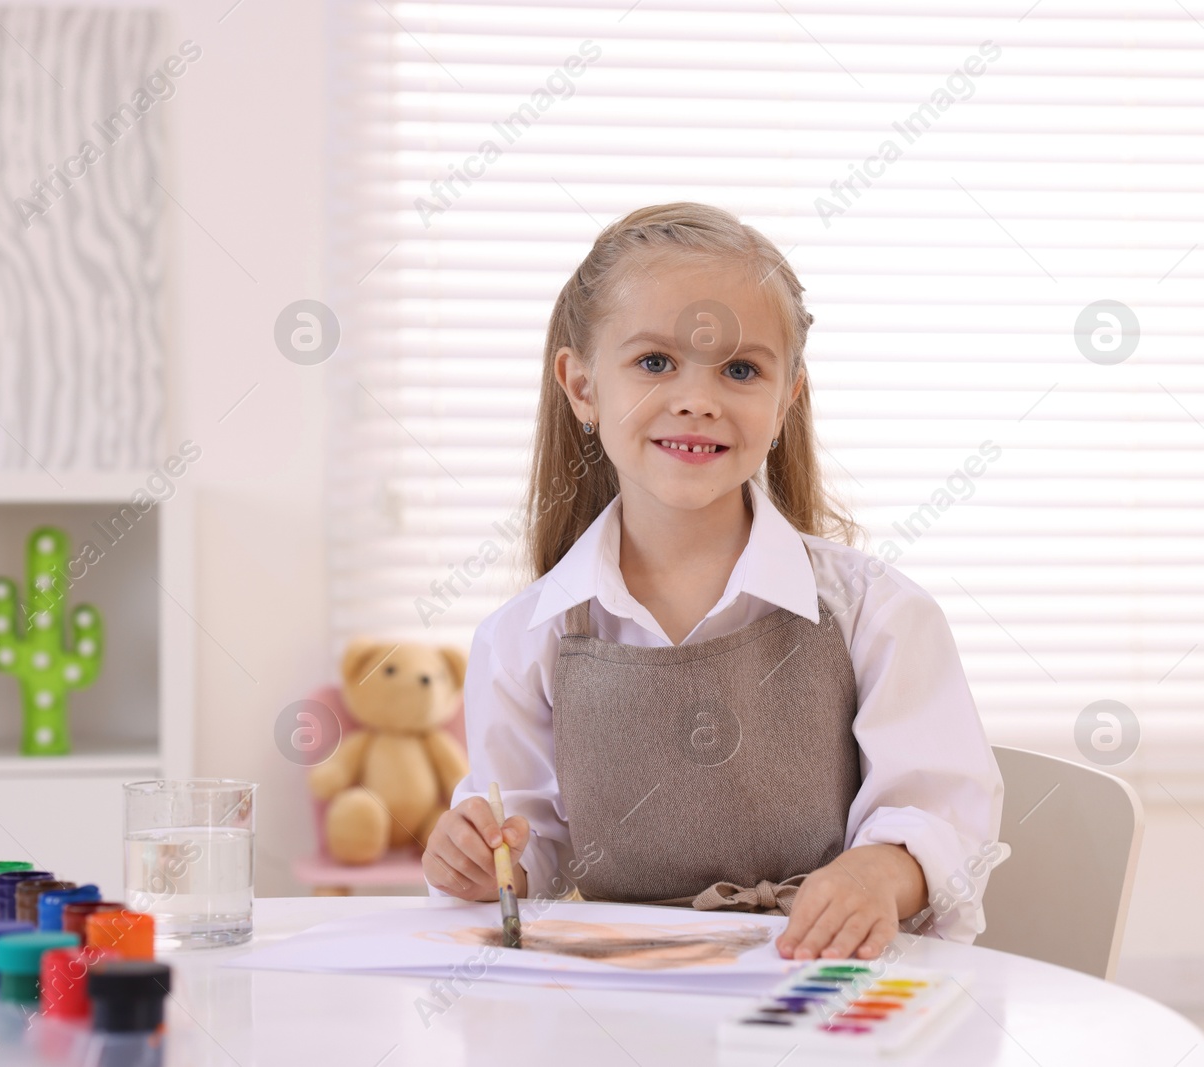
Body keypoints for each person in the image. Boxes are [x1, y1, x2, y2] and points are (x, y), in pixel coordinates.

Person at [421, 202, 1003, 961]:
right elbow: (526, 850)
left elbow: (939, 815)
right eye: (655, 362)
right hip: (625, 998)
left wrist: (879, 872)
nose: (699, 398)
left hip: (817, 984)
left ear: (786, 399)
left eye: (740, 369)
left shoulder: (875, 613)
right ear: (583, 386)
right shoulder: (524, 637)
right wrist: (472, 862)